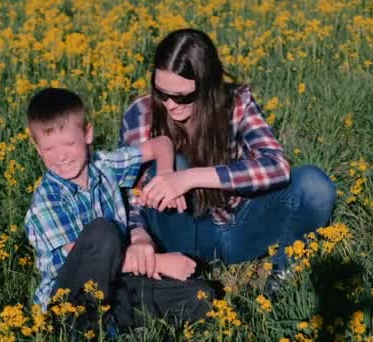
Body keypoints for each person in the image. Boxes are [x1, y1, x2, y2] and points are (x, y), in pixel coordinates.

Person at [119, 28, 336, 291]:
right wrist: (138, 235)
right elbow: (132, 190)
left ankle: (282, 278)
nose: (170, 105)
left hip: (241, 224)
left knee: (315, 185)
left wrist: (188, 179)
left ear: (208, 86)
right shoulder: (141, 114)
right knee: (171, 162)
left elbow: (276, 166)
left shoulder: (236, 103)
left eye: (182, 96)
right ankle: (191, 283)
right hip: (183, 237)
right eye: (161, 93)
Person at [24, 87, 214, 332]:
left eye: (69, 143)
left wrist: (166, 175)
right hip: (69, 302)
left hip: (117, 287)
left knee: (202, 297)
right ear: (37, 148)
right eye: (49, 149)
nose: (61, 157)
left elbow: (162, 144)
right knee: (102, 230)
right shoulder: (47, 198)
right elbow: (80, 259)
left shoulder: (104, 166)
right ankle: (88, 331)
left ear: (88, 134)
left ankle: (113, 325)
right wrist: (156, 264)